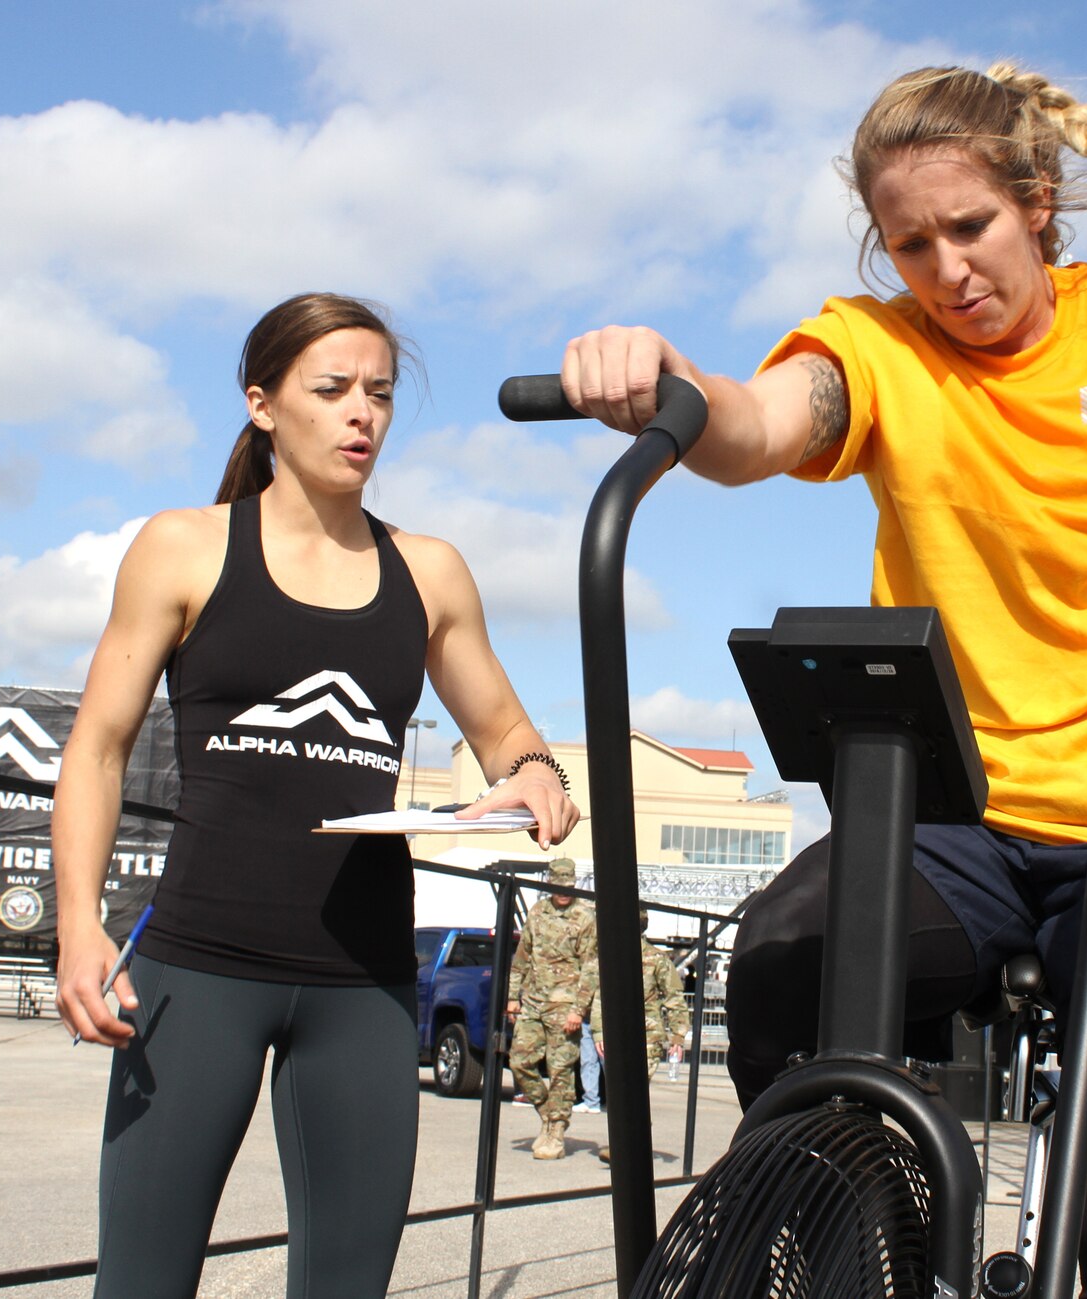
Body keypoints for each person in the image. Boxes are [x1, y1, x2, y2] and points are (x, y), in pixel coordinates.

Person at [561, 61, 1087, 1296]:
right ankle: (867, 1233)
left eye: (968, 228)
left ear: (1036, 200)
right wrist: (669, 381)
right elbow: (757, 425)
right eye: (909, 244)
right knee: (780, 962)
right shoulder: (878, 349)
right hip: (961, 817)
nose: (945, 272)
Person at [53, 292, 580, 1299]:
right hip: (197, 970)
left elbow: (513, 738)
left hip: (365, 984)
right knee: (141, 1282)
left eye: (377, 394)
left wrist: (535, 782)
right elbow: (97, 751)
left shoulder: (428, 572)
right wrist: (79, 928)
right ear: (262, 405)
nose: (361, 416)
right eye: (331, 390)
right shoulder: (184, 546)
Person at [505, 856, 597, 1160]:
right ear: (550, 884)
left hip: (564, 1005)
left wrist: (578, 1009)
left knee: (560, 1070)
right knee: (520, 1061)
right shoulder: (538, 913)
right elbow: (522, 957)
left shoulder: (584, 918)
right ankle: (547, 1112)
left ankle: (556, 1130)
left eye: (568, 887)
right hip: (533, 1001)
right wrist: (512, 996)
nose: (563, 892)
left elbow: (591, 968)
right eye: (558, 886)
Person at [590, 908, 691, 1164]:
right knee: (622, 1090)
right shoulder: (609, 956)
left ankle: (625, 1148)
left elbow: (674, 999)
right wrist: (599, 1030)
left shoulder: (657, 960)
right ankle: (631, 1143)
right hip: (616, 1033)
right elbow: (601, 996)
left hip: (648, 1035)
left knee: (632, 1088)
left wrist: (678, 1037)